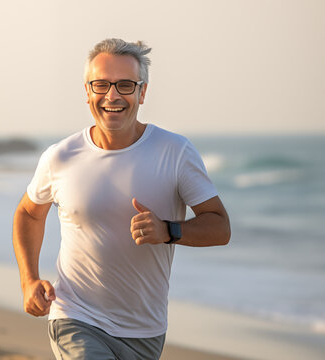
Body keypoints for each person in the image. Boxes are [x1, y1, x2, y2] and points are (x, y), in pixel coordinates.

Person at [12, 38, 230, 360]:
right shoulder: (61, 157)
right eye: (101, 85)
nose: (112, 96)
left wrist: (170, 230)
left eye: (125, 85)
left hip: (145, 331)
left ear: (142, 92)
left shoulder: (175, 153)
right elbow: (29, 213)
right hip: (76, 316)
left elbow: (220, 227)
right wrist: (29, 280)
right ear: (87, 92)